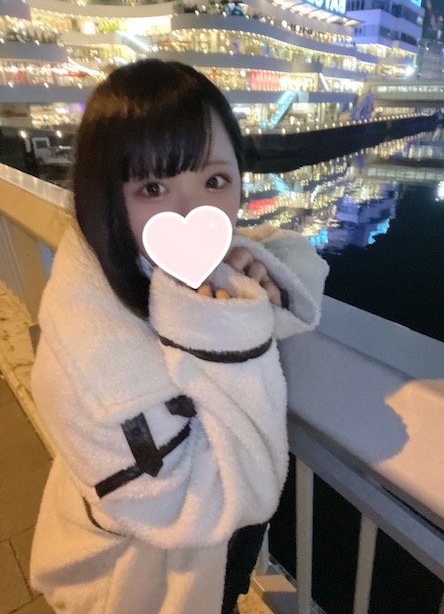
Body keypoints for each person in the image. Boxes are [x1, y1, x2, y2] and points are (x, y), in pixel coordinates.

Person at [30, 59, 329, 614]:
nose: (195, 212)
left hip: (210, 566)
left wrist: (253, 278)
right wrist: (229, 328)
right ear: (105, 197)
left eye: (215, 181)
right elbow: (236, 496)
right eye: (153, 187)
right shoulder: (95, 363)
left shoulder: (156, 265)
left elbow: (292, 257)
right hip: (146, 587)